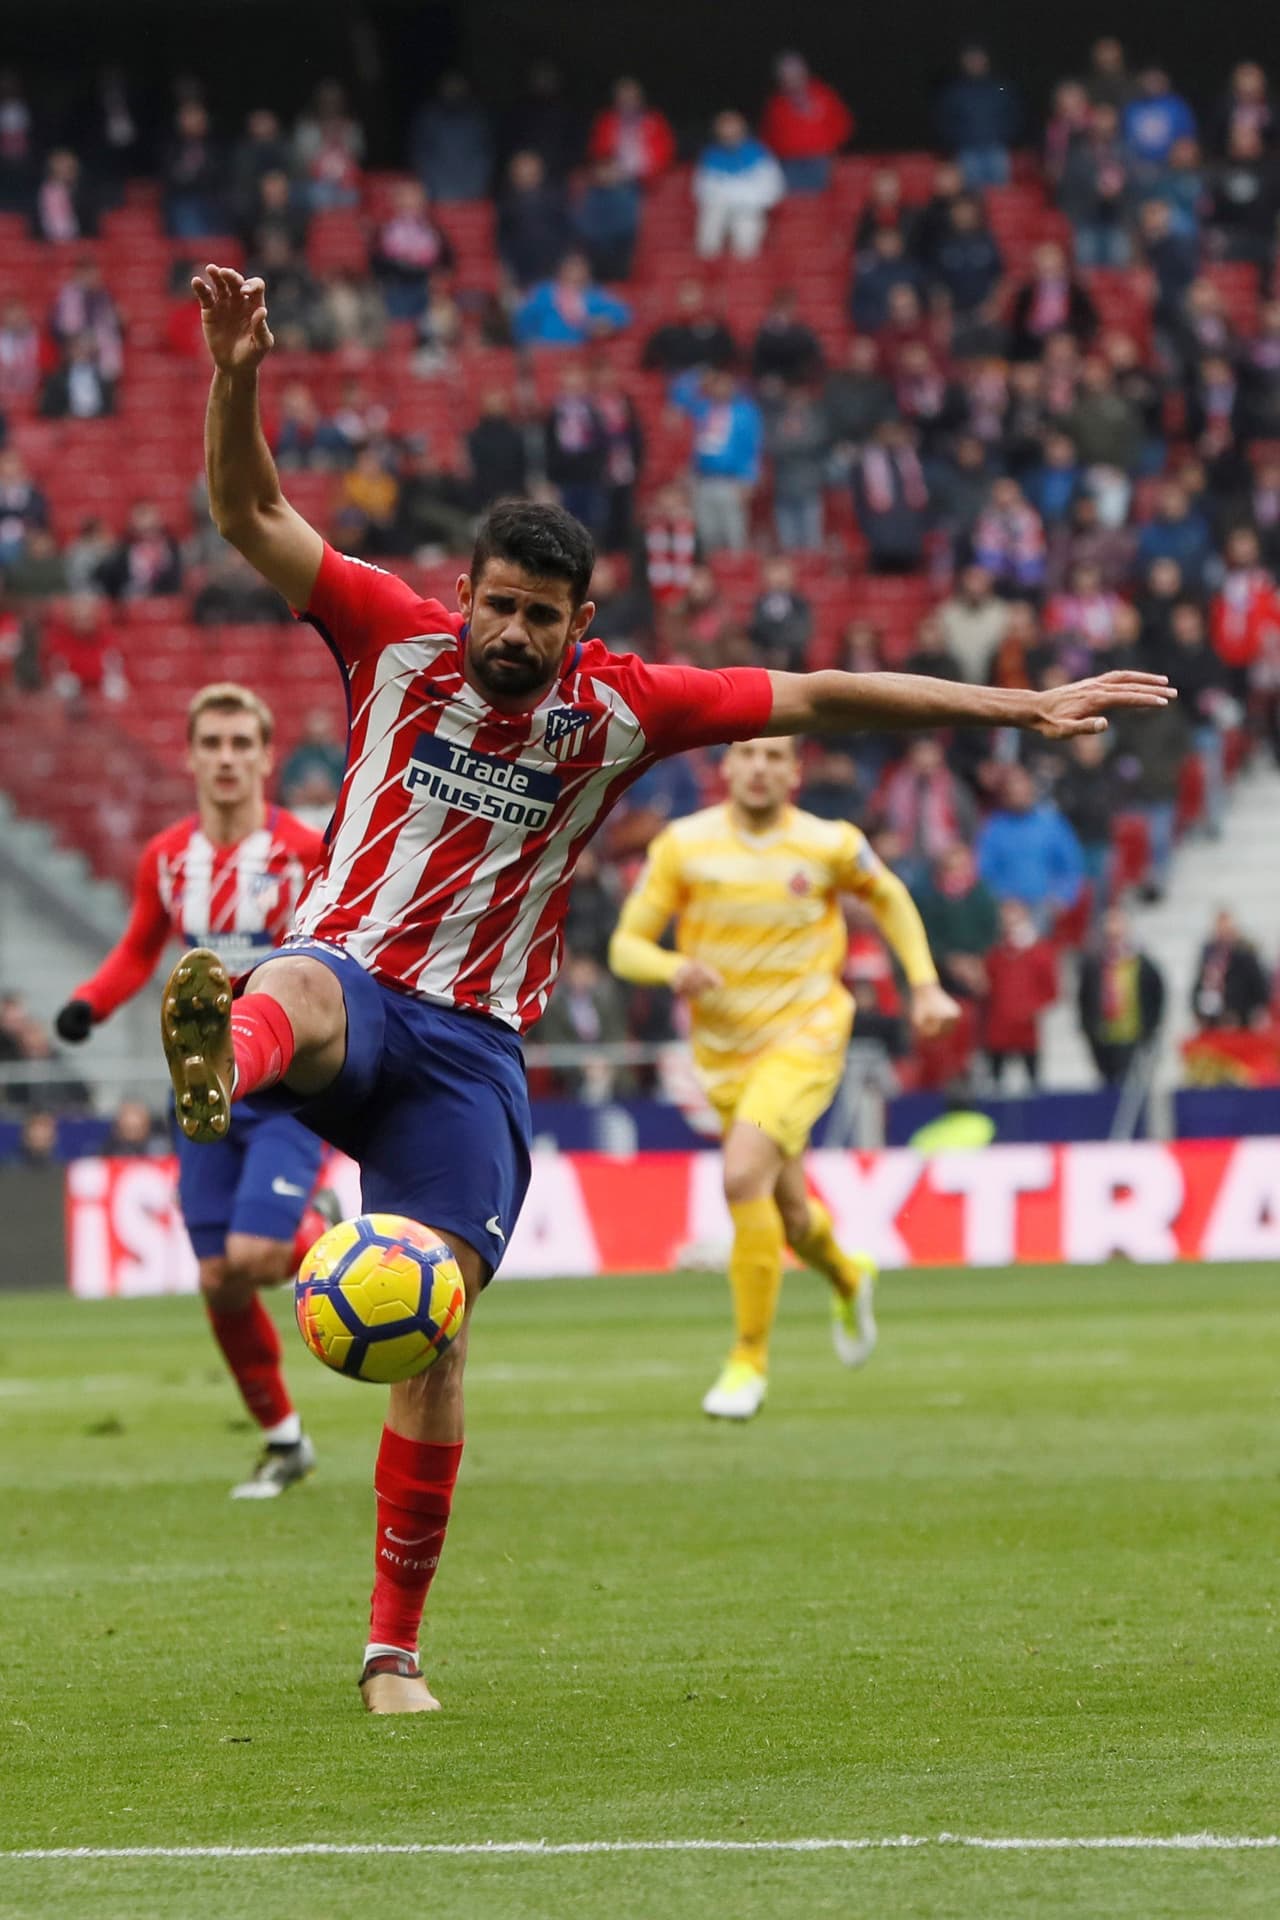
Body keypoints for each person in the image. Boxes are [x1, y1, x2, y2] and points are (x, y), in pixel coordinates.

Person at [169, 260, 1172, 1712]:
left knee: (435, 1328)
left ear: (584, 619)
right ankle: (228, 1064)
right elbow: (249, 513)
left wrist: (1017, 703)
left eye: (542, 615)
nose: (513, 634)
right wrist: (238, 374)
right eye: (497, 606)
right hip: (356, 981)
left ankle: (393, 1650)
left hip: (471, 1052)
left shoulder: (627, 711)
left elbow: (822, 692)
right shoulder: (389, 639)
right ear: (462, 596)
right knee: (303, 984)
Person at [610, 734, 958, 1419]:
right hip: (724, 1055)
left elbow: (887, 897)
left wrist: (924, 985)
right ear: (727, 766)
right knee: (790, 1214)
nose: (761, 767)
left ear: (796, 771)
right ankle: (847, 1275)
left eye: (776, 756)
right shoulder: (685, 844)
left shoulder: (830, 843)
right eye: (748, 754)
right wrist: (672, 968)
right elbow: (626, 945)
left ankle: (747, 1361)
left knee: (742, 1175)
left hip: (807, 1038)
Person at [52, 683, 333, 1498]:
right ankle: (284, 1441)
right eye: (212, 743)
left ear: (266, 756)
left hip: (285, 1085)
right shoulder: (168, 858)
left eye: (242, 744)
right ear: (189, 755)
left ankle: (325, 1227)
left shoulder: (303, 854)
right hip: (202, 1088)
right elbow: (140, 950)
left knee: (252, 1253)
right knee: (219, 1278)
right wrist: (87, 1006)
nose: (226, 759)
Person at [976, 764, 1085, 929]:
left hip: (1045, 907)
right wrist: (1003, 900)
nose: (1017, 795)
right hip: (1006, 909)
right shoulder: (994, 828)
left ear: (1031, 789)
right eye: (1011, 790)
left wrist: (1060, 898)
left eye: (1022, 789)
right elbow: (983, 872)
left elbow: (1071, 867)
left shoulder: (1052, 824)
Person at [1078, 907, 1166, 1084]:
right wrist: (1089, 1028)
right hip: (1103, 1035)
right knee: (1107, 1082)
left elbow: (1156, 994)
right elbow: (1084, 998)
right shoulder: (1094, 963)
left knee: (1128, 1081)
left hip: (1132, 1033)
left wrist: (1149, 1027)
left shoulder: (1141, 963)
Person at [984, 900, 1058, 1087]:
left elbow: (1051, 989)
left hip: (1026, 1027)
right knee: (996, 1080)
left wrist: (1031, 1009)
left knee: (1033, 1079)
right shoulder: (995, 954)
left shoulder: (1039, 952)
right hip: (999, 1026)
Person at [692, 111, 784, 261]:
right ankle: (707, 270)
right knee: (709, 225)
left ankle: (743, 277)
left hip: (748, 207)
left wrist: (749, 200)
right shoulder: (710, 156)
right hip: (719, 207)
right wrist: (725, 198)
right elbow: (701, 190)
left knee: (747, 236)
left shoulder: (758, 153)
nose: (729, 133)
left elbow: (773, 188)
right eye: (725, 129)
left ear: (742, 129)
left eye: (733, 128)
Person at [760, 52, 854, 193]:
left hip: (821, 160)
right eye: (786, 73)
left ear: (804, 72)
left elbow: (843, 125)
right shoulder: (775, 105)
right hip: (789, 164)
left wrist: (830, 147)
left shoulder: (824, 95)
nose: (792, 77)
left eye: (795, 72)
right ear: (780, 77)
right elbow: (768, 137)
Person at [934, 45, 1021, 188]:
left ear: (986, 61)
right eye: (971, 60)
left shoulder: (999, 87)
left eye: (978, 60)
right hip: (968, 152)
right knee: (972, 196)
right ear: (964, 63)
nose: (975, 63)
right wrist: (958, 141)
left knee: (999, 195)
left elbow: (1013, 115)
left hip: (996, 149)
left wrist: (1003, 137)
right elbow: (943, 121)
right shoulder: (955, 91)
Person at [1191, 909, 1271, 1029]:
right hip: (1213, 1022)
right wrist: (1198, 1010)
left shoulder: (1246, 955)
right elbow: (1199, 986)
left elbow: (1259, 990)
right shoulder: (1209, 955)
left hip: (1239, 1023)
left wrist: (1241, 1013)